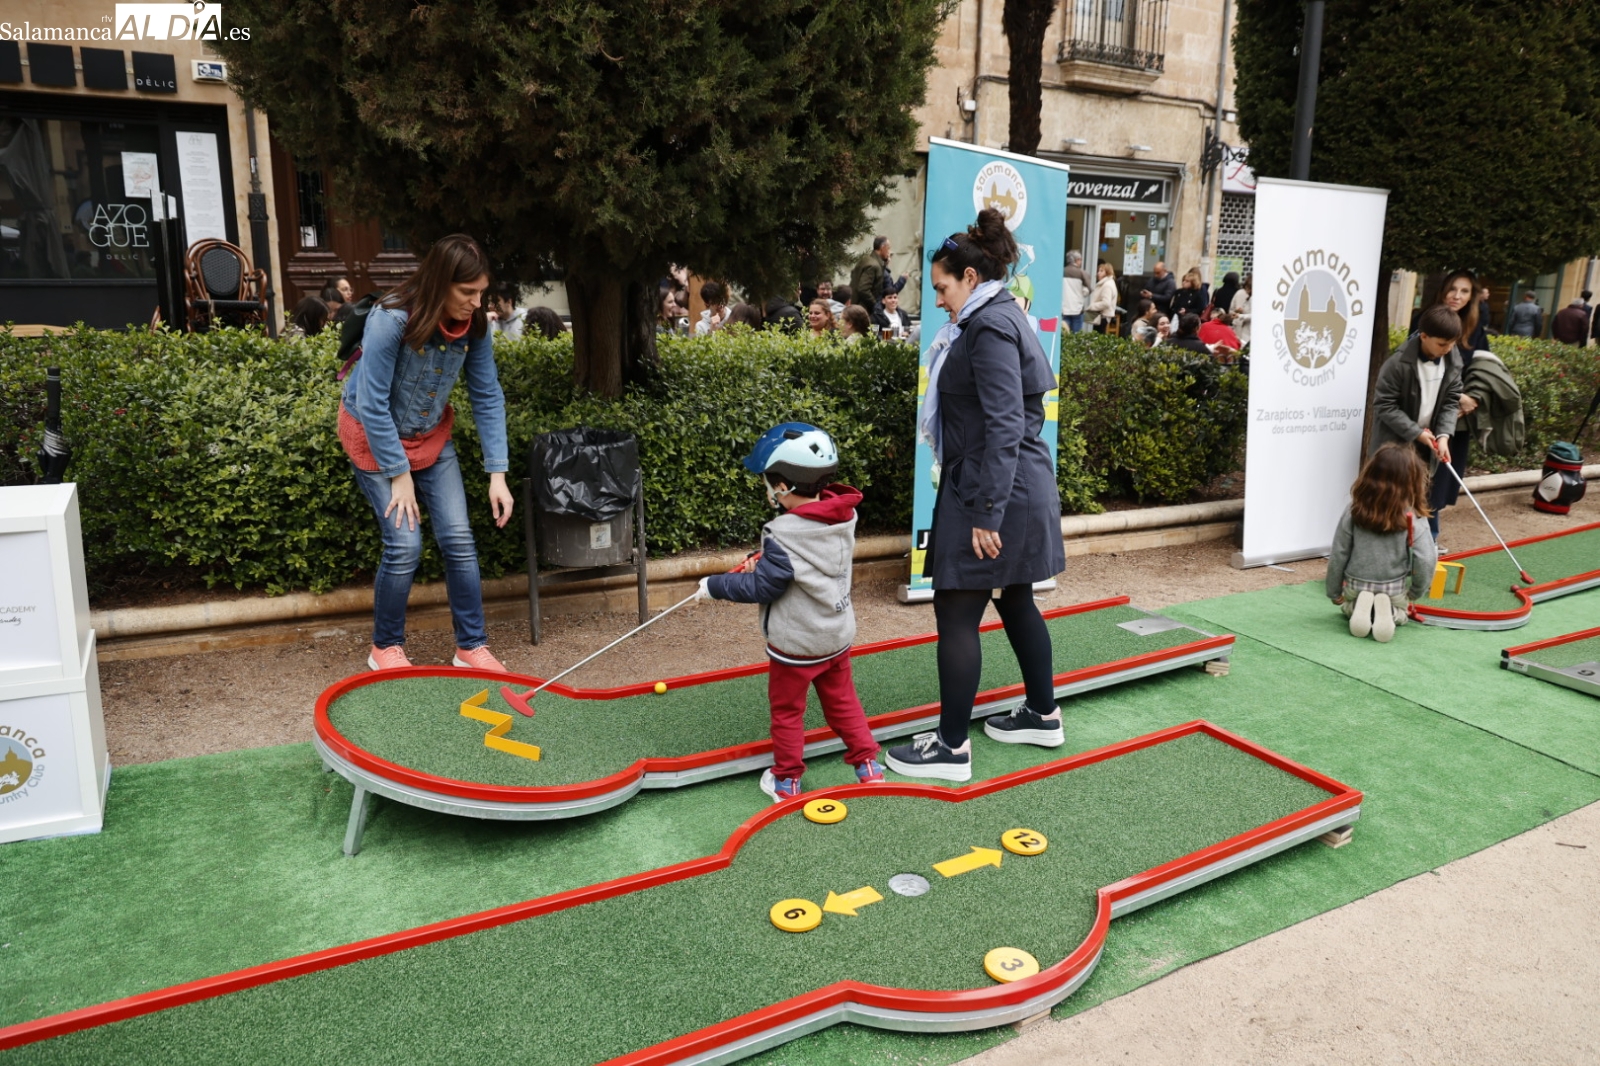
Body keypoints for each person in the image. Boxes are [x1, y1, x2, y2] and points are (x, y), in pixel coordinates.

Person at [884, 208, 1066, 782]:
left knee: (957, 609)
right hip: (1013, 482)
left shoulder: (987, 326)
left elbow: (1005, 420)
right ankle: (1042, 714)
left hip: (992, 488)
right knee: (1014, 598)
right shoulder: (1003, 314)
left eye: (941, 287)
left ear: (968, 276)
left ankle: (951, 749)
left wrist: (986, 512)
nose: (937, 299)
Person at [338, 233, 513, 673]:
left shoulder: (474, 325)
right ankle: (385, 647)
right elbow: (374, 402)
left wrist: (498, 473)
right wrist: (399, 474)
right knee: (404, 544)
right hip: (374, 435)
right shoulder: (392, 318)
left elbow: (487, 395)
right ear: (440, 283)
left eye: (481, 292)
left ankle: (470, 647)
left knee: (458, 538)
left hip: (431, 437)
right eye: (467, 292)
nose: (477, 302)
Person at [695, 423, 884, 800]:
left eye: (768, 481)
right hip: (835, 635)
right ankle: (868, 766)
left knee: (787, 713)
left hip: (796, 643)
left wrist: (714, 586)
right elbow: (807, 561)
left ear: (783, 488)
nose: (767, 488)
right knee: (843, 702)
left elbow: (764, 586)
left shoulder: (783, 532)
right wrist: (767, 558)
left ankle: (787, 780)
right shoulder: (842, 516)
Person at [1326, 444, 1437, 643]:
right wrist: (1415, 592)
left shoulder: (1354, 509)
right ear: (1413, 481)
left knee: (1349, 605)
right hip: (1393, 587)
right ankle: (1393, 613)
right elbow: (1426, 559)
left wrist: (1334, 592)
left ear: (1369, 474)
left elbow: (1339, 552)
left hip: (1355, 584)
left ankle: (1355, 609)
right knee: (1403, 611)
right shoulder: (1414, 516)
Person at [1371, 305, 1463, 542]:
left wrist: (1444, 435)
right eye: (1442, 344)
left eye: (1452, 343)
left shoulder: (1453, 361)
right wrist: (1416, 432)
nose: (1448, 349)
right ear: (1423, 336)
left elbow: (1451, 401)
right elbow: (1384, 406)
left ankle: (1423, 546)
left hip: (1428, 440)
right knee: (1389, 496)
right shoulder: (1397, 364)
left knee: (1422, 494)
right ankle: (1383, 547)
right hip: (1395, 442)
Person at [1420, 270, 1485, 543]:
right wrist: (1458, 395)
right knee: (1425, 476)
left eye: (1465, 291)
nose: (1457, 296)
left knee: (1445, 477)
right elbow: (1425, 367)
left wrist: (1473, 398)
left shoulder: (1475, 327)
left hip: (1457, 418)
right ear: (1444, 289)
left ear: (1472, 297)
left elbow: (1482, 366)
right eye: (1453, 289)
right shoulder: (1426, 320)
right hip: (1428, 411)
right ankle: (1426, 538)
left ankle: (1430, 534)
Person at [851, 236, 905, 310]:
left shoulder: (868, 260)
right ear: (882, 248)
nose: (889, 251)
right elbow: (863, 289)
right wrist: (876, 306)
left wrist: (885, 264)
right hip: (863, 310)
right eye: (888, 248)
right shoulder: (873, 265)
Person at [1061, 250, 1091, 333]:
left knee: (1065, 331)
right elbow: (1088, 289)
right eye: (1080, 259)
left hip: (1064, 307)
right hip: (1077, 308)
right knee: (1076, 334)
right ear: (1076, 260)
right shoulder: (1082, 273)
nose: (1081, 262)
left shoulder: (1061, 271)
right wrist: (1083, 293)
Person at [1088, 261, 1118, 334]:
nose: (1098, 273)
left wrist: (1092, 306)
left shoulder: (1107, 285)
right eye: (1098, 271)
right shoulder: (1107, 283)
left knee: (1098, 335)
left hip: (1102, 316)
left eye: (1101, 271)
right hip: (1101, 315)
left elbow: (1106, 303)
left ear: (1107, 272)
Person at [1230, 273, 1253, 347]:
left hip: (1247, 330)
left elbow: (1254, 315)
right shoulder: (1249, 298)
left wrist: (1240, 315)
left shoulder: (1252, 299)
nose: (1246, 290)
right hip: (1244, 329)